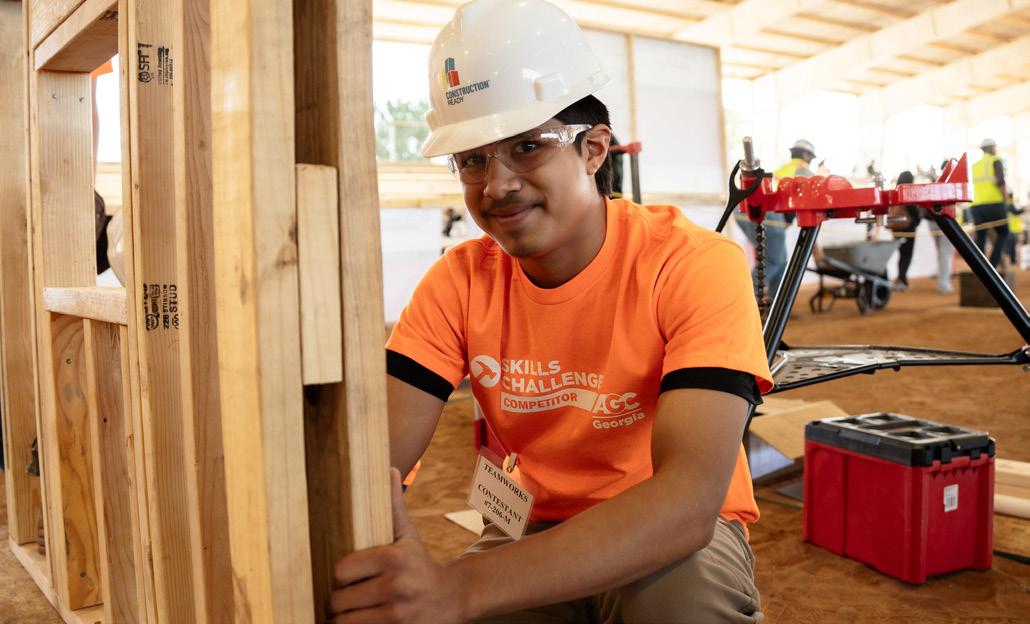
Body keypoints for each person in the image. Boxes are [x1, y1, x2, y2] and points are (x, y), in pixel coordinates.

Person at [328, 2, 772, 622]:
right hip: (533, 526)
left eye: (528, 146)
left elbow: (686, 503)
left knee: (682, 603)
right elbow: (377, 455)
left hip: (670, 536)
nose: (497, 184)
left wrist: (458, 589)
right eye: (472, 159)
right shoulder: (458, 283)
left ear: (593, 148)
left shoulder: (692, 264)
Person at [735, 138, 816, 303]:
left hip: (743, 209)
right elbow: (812, 206)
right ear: (806, 155)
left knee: (780, 261)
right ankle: (743, 301)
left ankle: (775, 304)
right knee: (775, 260)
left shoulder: (783, 169)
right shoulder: (804, 171)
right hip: (765, 211)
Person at [970, 139, 1010, 268]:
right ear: (992, 148)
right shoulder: (995, 160)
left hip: (977, 207)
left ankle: (980, 267)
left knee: (980, 237)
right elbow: (1000, 182)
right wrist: (1006, 198)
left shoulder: (975, 166)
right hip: (994, 205)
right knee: (1004, 233)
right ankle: (992, 265)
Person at [890, 171, 920, 290]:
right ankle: (902, 280)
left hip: (895, 227)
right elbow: (913, 210)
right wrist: (917, 220)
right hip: (908, 227)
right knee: (906, 255)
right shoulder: (908, 191)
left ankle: (901, 279)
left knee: (901, 254)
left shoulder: (894, 191)